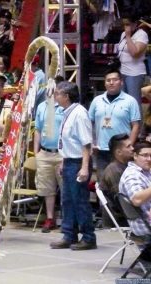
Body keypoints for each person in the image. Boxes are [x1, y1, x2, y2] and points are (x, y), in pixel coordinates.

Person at [50, 81, 97, 250]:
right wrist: (63, 161)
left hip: (78, 162)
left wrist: (84, 168)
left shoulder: (80, 113)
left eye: (58, 94)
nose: (55, 96)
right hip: (69, 160)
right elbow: (67, 141)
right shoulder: (66, 112)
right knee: (67, 200)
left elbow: (86, 144)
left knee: (80, 201)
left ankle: (88, 237)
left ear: (66, 97)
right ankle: (69, 234)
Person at [89, 69, 140, 181]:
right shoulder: (97, 100)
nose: (111, 82)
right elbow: (88, 123)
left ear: (121, 82)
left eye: (115, 80)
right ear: (104, 83)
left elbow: (135, 125)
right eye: (108, 80)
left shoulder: (130, 101)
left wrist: (129, 145)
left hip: (121, 151)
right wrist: (91, 142)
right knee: (102, 183)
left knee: (122, 183)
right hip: (101, 150)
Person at [33, 95, 64, 233]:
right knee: (47, 189)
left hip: (61, 153)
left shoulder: (65, 106)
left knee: (65, 188)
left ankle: (67, 218)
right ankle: (50, 218)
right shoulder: (41, 106)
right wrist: (36, 152)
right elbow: (38, 130)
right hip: (45, 153)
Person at [99, 133, 134, 227]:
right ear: (119, 152)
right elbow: (122, 201)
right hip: (121, 219)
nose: (132, 148)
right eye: (128, 146)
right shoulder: (114, 170)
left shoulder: (126, 166)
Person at [119, 141, 151, 238]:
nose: (149, 159)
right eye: (145, 155)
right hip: (144, 225)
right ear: (135, 156)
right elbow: (136, 199)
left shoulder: (145, 171)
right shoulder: (132, 175)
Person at [118, 15, 149, 109]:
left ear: (135, 24)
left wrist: (128, 36)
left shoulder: (142, 34)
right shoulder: (123, 34)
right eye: (124, 25)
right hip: (122, 71)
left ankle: (137, 124)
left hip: (135, 73)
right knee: (122, 102)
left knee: (133, 102)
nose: (125, 27)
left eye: (128, 24)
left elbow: (135, 53)